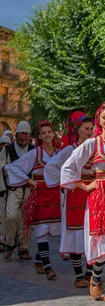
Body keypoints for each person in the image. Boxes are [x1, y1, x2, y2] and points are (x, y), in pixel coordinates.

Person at [61, 100, 105, 305]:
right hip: (99, 198)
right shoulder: (92, 143)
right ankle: (96, 278)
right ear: (100, 121)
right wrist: (83, 186)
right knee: (102, 244)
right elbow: (69, 165)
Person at [44, 112, 95, 288]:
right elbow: (51, 167)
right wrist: (69, 182)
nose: (90, 132)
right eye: (86, 129)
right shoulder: (69, 150)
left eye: (91, 129)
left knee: (92, 233)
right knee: (75, 234)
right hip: (75, 195)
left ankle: (90, 274)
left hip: (93, 194)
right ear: (77, 130)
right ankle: (79, 275)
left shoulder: (96, 148)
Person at [6, 120, 60, 280]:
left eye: (49, 132)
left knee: (51, 231)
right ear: (39, 137)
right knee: (42, 231)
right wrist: (28, 180)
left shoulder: (59, 153)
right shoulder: (35, 153)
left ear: (53, 133)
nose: (47, 135)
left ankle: (38, 261)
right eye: (43, 133)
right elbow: (13, 167)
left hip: (55, 197)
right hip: (40, 197)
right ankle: (48, 267)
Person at [1, 121, 35, 260]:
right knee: (11, 216)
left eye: (27, 134)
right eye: (22, 134)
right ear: (17, 134)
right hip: (13, 189)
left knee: (26, 219)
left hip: (28, 189)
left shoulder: (33, 149)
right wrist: (11, 169)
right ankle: (9, 244)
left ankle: (23, 248)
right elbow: (1, 164)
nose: (24, 137)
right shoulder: (8, 149)